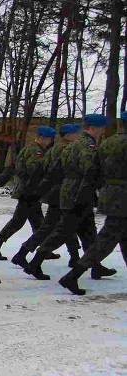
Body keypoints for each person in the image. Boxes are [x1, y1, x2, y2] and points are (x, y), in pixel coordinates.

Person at [23, 114, 117, 281]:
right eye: (101, 129)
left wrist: (41, 189)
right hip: (79, 193)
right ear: (94, 128)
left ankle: (95, 266)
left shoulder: (73, 145)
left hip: (72, 191)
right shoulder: (87, 145)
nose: (102, 132)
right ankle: (35, 263)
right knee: (62, 232)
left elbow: (56, 170)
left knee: (89, 233)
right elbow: (90, 170)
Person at [58, 111, 127, 295]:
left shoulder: (107, 143)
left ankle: (75, 274)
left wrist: (90, 194)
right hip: (123, 198)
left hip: (110, 194)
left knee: (122, 237)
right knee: (106, 239)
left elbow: (93, 172)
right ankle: (72, 276)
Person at [11, 124, 82, 269]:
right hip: (64, 192)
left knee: (56, 226)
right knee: (62, 226)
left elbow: (42, 170)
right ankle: (26, 255)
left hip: (55, 192)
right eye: (76, 133)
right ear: (68, 135)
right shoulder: (67, 149)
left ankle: (74, 257)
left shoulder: (52, 150)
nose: (78, 136)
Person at [0, 125, 55, 260]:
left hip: (28, 191)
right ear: (41, 138)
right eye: (47, 139)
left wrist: (0, 181)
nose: (49, 142)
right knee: (19, 223)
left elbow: (13, 166)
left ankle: (44, 250)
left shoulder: (28, 149)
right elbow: (33, 170)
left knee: (38, 223)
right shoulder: (37, 152)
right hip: (29, 192)